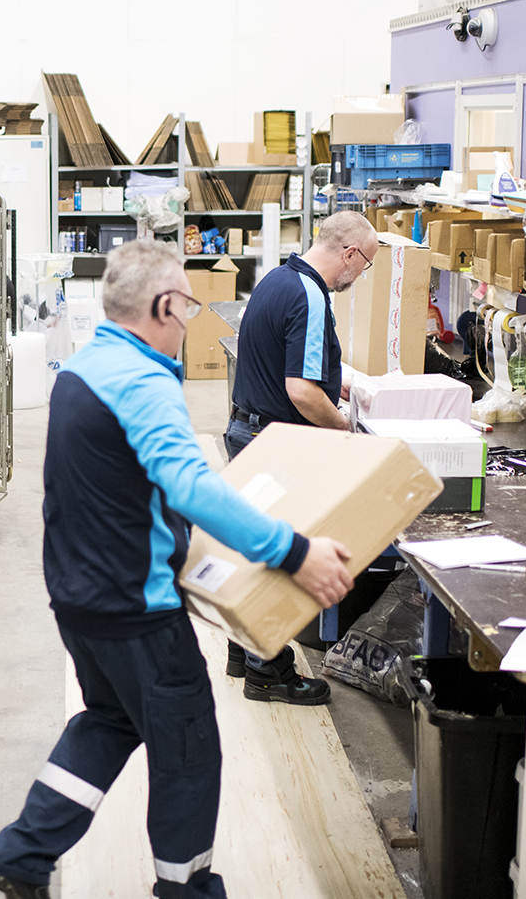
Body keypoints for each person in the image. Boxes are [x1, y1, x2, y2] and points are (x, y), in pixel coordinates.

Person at [0, 240, 354, 899]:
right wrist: (295, 552)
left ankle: (22, 853)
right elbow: (189, 485)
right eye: (185, 306)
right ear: (160, 306)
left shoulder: (85, 368)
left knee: (110, 720)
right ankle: (187, 889)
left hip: (77, 597)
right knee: (189, 750)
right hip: (137, 609)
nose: (187, 321)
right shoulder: (144, 380)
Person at [221, 211, 382, 706]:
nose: (361, 275)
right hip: (275, 442)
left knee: (254, 549)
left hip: (247, 430)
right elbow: (300, 390)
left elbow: (283, 362)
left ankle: (241, 652)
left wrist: (338, 382)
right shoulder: (311, 295)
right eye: (366, 264)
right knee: (280, 559)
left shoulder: (277, 279)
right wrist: (345, 429)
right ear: (349, 253)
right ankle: (269, 672)